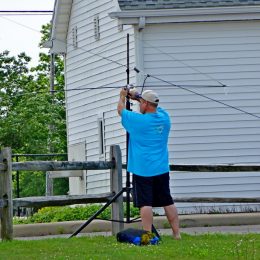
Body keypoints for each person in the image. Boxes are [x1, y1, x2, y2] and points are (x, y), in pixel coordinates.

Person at [117, 87, 181, 240]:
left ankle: (148, 235)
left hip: (142, 169)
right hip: (161, 168)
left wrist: (122, 96)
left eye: (141, 103)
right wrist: (138, 96)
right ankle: (176, 234)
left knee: (145, 203)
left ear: (145, 103)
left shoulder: (139, 121)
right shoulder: (165, 118)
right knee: (167, 201)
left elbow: (120, 110)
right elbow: (155, 106)